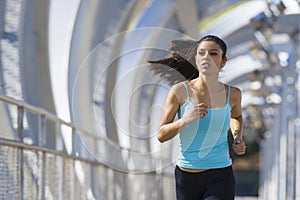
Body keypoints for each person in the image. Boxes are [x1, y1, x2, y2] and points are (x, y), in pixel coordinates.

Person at [148, 35, 246, 200]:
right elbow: (161, 135)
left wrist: (237, 137)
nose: (206, 57)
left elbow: (236, 116)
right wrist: (186, 119)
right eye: (202, 53)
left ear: (223, 61)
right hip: (187, 176)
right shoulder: (180, 92)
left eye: (213, 53)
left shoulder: (233, 94)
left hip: (220, 174)